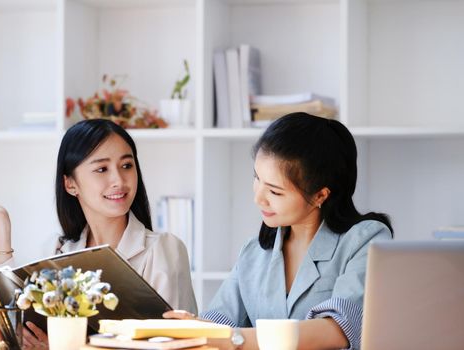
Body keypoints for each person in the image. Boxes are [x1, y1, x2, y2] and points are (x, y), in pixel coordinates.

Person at [0, 119, 197, 348]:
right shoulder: (58, 252)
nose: (119, 180)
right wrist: (1, 228)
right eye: (102, 169)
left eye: (126, 165)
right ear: (70, 184)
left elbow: (176, 344)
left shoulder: (163, 250)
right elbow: (10, 325)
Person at [164, 113, 393, 350]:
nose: (258, 198)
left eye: (275, 192)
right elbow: (221, 323)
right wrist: (191, 328)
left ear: (319, 195)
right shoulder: (254, 252)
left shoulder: (366, 240)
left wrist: (233, 339)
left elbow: (338, 329)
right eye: (257, 179)